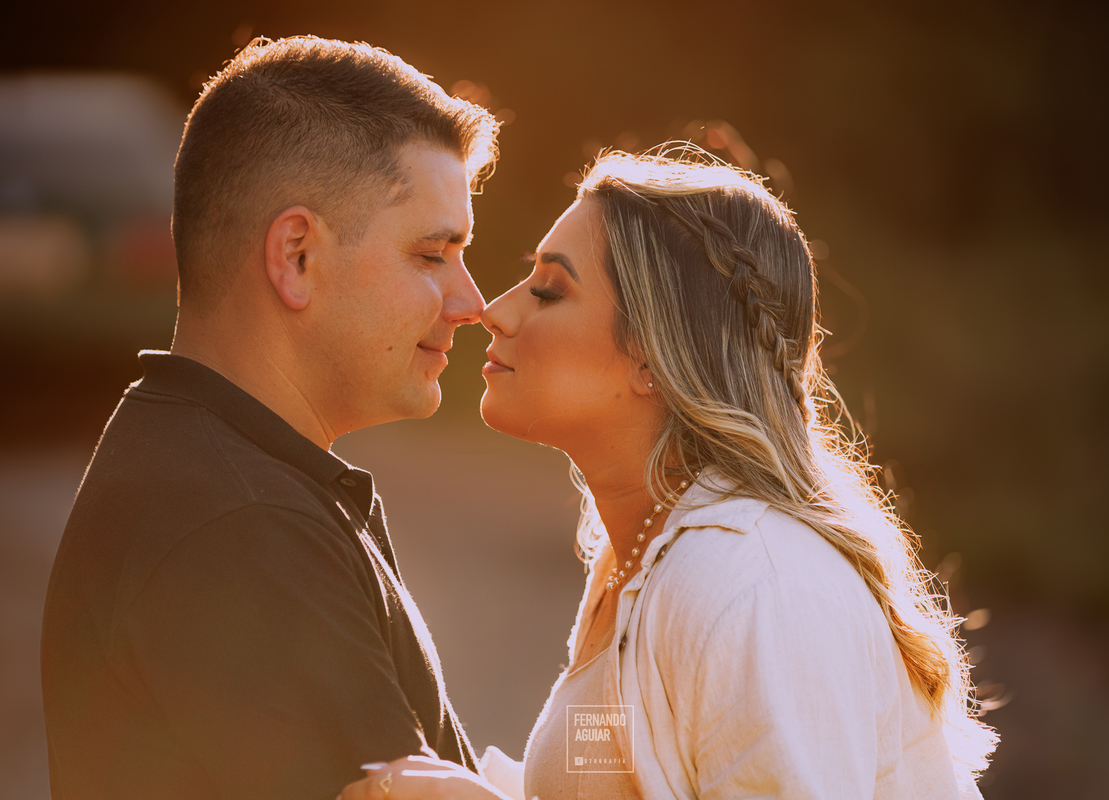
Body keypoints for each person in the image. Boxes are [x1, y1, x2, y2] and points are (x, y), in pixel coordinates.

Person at [342, 145, 997, 799]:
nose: (495, 311)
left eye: (548, 290)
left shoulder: (749, 585)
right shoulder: (642, 563)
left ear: (652, 355)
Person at [41, 36, 498, 800]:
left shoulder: (224, 477)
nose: (470, 302)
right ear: (296, 256)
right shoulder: (240, 523)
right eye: (432, 254)